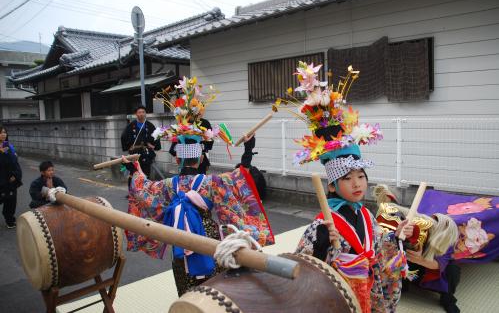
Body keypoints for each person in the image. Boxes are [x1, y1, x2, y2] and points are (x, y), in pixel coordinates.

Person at [275, 62, 411, 312]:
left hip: (367, 288)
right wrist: (323, 244)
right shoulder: (324, 223)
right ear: (333, 186)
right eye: (347, 178)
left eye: (360, 175)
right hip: (339, 296)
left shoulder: (366, 215)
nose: (357, 183)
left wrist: (397, 234)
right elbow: (306, 264)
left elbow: (378, 248)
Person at [123, 76, 274, 296]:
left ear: (178, 160)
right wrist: (248, 149)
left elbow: (143, 189)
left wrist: (134, 170)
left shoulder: (167, 185)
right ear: (201, 159)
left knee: (188, 295)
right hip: (207, 241)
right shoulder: (212, 183)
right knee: (214, 294)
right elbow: (240, 177)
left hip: (180, 243)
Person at [374, 184, 462, 313]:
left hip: (430, 272)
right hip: (412, 269)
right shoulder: (418, 228)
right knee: (396, 256)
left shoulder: (446, 241)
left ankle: (448, 299)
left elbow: (439, 265)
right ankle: (403, 286)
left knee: (453, 269)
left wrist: (420, 259)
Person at [121, 105, 161, 180]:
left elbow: (156, 136)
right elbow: (123, 136)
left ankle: (145, 189)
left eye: (143, 112)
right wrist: (128, 147)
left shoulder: (150, 125)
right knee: (134, 173)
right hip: (134, 152)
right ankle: (135, 189)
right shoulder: (131, 125)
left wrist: (153, 146)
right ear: (136, 114)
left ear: (145, 113)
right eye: (139, 112)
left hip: (146, 152)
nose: (141, 114)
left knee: (146, 173)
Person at [0, 125, 22, 228]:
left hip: (11, 178)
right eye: (1, 132)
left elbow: (15, 163)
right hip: (1, 179)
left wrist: (16, 175)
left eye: (4, 132)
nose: (3, 134)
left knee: (11, 201)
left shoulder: (10, 146)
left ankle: (10, 220)